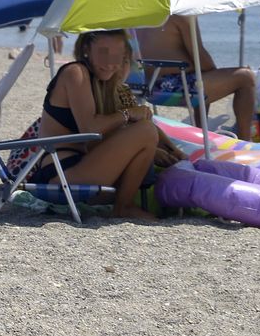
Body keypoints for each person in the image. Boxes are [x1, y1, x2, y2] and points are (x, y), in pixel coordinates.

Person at [9, 28, 178, 222]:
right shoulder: (75, 73)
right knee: (145, 130)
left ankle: (127, 204)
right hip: (61, 174)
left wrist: (171, 150)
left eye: (118, 56)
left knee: (146, 130)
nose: (110, 63)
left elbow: (110, 134)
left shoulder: (103, 84)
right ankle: (124, 207)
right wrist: (128, 114)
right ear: (87, 48)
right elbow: (90, 129)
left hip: (84, 167)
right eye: (103, 52)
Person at [136, 14, 259, 140]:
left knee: (200, 76)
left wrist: (213, 75)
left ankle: (200, 133)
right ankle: (245, 140)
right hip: (174, 88)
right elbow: (199, 56)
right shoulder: (182, 13)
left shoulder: (144, 12)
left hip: (148, 87)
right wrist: (217, 76)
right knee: (246, 77)